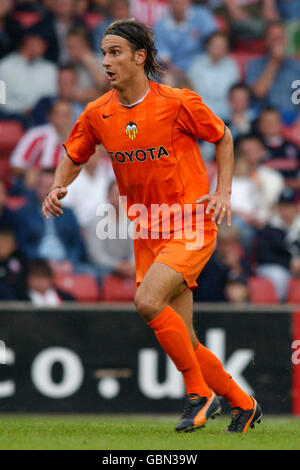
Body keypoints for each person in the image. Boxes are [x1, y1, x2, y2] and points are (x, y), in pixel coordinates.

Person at [42, 18, 262, 433]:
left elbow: (224, 136)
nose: (106, 61)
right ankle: (242, 402)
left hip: (191, 223)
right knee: (187, 339)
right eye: (104, 52)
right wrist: (57, 185)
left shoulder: (177, 102)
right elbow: (74, 153)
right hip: (146, 232)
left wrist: (223, 191)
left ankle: (199, 395)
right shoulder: (97, 113)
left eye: (114, 52)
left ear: (139, 57)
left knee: (145, 301)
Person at [246, 21, 300, 124]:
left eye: (280, 38)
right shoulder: (254, 64)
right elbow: (259, 92)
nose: (277, 42)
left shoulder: (296, 66)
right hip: (264, 118)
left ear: (285, 40)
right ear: (266, 41)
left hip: (291, 116)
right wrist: (274, 62)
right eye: (274, 38)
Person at [86, 179, 135, 282]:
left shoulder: (132, 221)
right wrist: (118, 265)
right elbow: (96, 255)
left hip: (128, 266)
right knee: (98, 274)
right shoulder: (96, 222)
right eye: (116, 194)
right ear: (108, 196)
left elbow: (136, 250)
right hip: (105, 268)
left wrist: (131, 265)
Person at [256, 188, 300, 302]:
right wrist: (289, 263)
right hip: (275, 267)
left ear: (296, 207)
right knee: (279, 276)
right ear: (278, 208)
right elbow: (264, 256)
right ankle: (280, 312)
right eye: (283, 206)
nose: (286, 210)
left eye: (289, 206)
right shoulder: (269, 228)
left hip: (295, 267)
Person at [187, 32, 240, 121]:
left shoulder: (231, 65)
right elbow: (190, 90)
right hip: (200, 113)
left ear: (227, 49)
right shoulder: (197, 63)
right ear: (207, 46)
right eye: (215, 46)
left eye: (222, 47)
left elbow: (235, 92)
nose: (218, 50)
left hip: (227, 114)